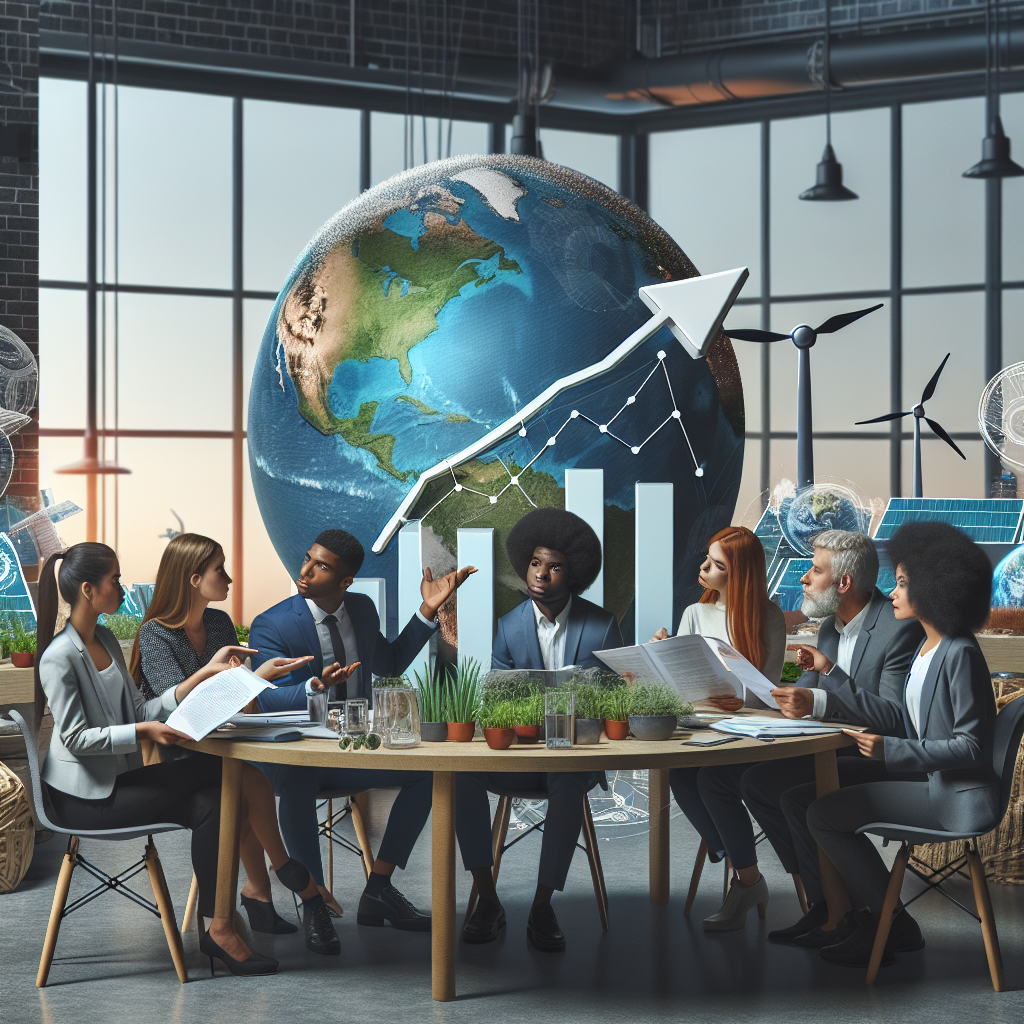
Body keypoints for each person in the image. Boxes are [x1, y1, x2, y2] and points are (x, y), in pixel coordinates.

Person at [36, 543, 326, 977]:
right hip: (82, 799)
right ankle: (273, 884)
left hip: (117, 783)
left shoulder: (107, 640)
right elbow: (78, 739)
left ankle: (219, 926)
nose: (121, 585)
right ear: (88, 590)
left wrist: (203, 674)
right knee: (225, 772)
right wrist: (144, 732)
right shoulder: (59, 657)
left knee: (215, 800)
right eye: (114, 580)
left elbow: (141, 710)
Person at [248, 528, 476, 942]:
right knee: (299, 780)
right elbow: (264, 700)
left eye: (321, 567)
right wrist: (313, 687)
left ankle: (379, 888)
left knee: (426, 773)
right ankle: (313, 902)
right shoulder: (273, 624)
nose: (305, 571)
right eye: (307, 559)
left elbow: (388, 664)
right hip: (299, 756)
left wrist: (427, 612)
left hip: (354, 750)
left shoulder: (363, 609)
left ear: (345, 581)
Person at [794, 521, 998, 968]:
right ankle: (864, 916)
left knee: (822, 813)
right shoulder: (931, 646)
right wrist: (832, 674)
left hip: (955, 796)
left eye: (902, 584)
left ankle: (887, 922)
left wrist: (890, 751)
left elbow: (971, 747)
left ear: (935, 590)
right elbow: (908, 720)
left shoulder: (958, 652)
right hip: (931, 779)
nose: (891, 593)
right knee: (809, 791)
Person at [739, 529, 924, 948]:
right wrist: (757, 693)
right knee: (758, 784)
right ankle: (827, 904)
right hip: (835, 752)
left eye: (814, 569)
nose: (804, 578)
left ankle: (876, 916)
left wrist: (824, 683)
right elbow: (802, 689)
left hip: (886, 758)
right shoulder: (827, 627)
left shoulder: (897, 630)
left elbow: (892, 718)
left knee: (797, 797)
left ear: (844, 583)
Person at [456, 507, 624, 952]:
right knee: (459, 778)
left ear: (573, 575)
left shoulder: (602, 625)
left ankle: (543, 905)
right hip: (519, 757)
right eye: (535, 563)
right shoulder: (508, 627)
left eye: (554, 567)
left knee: (567, 781)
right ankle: (487, 899)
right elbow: (497, 699)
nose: (542, 574)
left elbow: (610, 701)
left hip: (572, 758)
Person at [134, 533, 300, 937]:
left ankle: (260, 890)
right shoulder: (155, 634)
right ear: (193, 580)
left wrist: (251, 688)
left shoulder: (218, 622)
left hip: (218, 743)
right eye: (219, 570)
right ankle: (289, 873)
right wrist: (247, 680)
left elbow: (230, 698)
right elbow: (182, 708)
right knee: (247, 781)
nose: (228, 579)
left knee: (241, 790)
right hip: (172, 753)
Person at [655, 525, 787, 932]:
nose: (704, 569)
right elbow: (679, 687)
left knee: (712, 779)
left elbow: (766, 691)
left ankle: (744, 877)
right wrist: (661, 654)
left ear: (740, 575)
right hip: (701, 725)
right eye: (707, 560)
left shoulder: (770, 618)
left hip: (747, 731)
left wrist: (734, 696)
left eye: (716, 565)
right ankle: (737, 863)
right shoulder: (695, 613)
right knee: (678, 775)